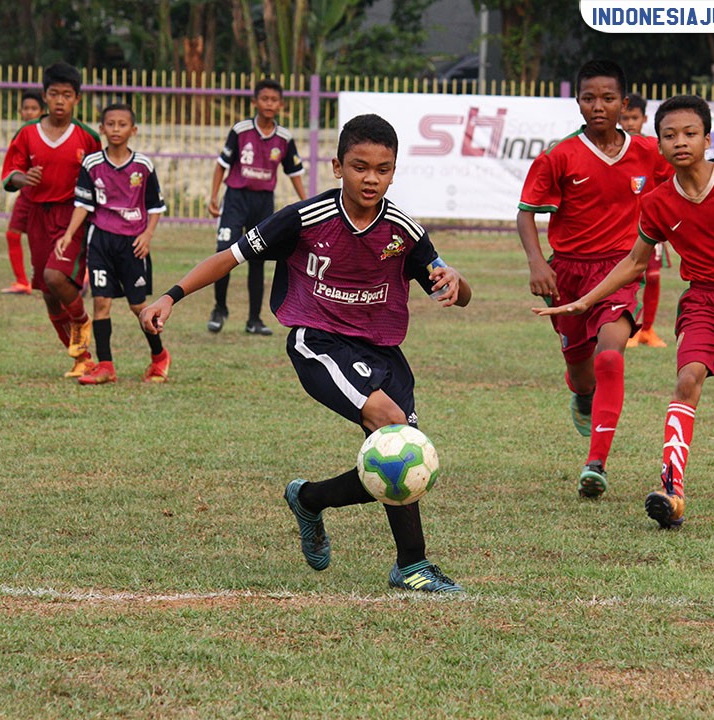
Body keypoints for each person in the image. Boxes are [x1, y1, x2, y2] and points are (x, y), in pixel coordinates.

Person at [140, 114, 472, 593]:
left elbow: (457, 293)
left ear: (395, 172)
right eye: (360, 166)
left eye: (382, 169)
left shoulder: (404, 231)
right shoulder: (304, 218)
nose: (371, 178)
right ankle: (414, 563)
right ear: (338, 166)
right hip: (318, 341)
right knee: (392, 425)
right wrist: (170, 295)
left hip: (383, 352)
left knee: (403, 463)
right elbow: (229, 257)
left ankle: (316, 502)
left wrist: (457, 283)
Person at [535, 95, 714, 530]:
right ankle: (672, 490)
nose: (680, 142)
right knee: (687, 379)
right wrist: (585, 300)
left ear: (708, 139)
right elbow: (635, 262)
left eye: (690, 133)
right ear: (658, 144)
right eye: (669, 135)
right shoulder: (656, 202)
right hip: (702, 303)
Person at [516, 60, 670, 499]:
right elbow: (526, 213)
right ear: (578, 102)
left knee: (610, 357)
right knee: (583, 375)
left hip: (622, 269)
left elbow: (680, 190)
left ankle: (596, 462)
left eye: (608, 98)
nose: (598, 106)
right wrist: (537, 264)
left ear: (625, 103)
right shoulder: (560, 155)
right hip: (568, 274)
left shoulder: (648, 152)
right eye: (589, 98)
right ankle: (583, 397)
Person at [56, 103, 170, 385]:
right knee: (101, 303)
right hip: (101, 241)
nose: (116, 129)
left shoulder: (143, 165)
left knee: (138, 306)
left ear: (133, 130)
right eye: (110, 124)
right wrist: (69, 234)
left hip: (133, 244)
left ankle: (159, 357)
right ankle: (106, 366)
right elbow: (83, 204)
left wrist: (147, 235)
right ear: (102, 128)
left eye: (122, 124)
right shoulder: (92, 164)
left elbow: (155, 206)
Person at [1, 61, 102, 378]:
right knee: (47, 292)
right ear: (45, 96)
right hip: (37, 216)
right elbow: (10, 174)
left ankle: (82, 320)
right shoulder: (28, 134)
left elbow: (102, 176)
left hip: (72, 215)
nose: (60, 101)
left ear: (77, 99)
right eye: (54, 94)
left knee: (57, 277)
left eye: (67, 95)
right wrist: (23, 178)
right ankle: (82, 358)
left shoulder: (87, 138)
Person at [207, 78, 307, 337]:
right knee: (224, 250)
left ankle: (254, 319)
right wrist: (213, 196)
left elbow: (294, 172)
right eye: (264, 99)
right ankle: (219, 309)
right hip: (236, 199)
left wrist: (306, 202)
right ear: (255, 102)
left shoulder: (284, 138)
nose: (269, 104)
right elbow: (222, 165)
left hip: (263, 203)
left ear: (281, 105)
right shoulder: (241, 131)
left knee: (257, 258)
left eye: (274, 100)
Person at [620, 93, 672, 349]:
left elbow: (669, 180)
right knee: (626, 278)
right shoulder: (615, 149)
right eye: (625, 118)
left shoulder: (653, 149)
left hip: (650, 227)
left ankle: (648, 330)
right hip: (623, 228)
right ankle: (629, 329)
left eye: (634, 118)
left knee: (652, 277)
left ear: (644, 119)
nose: (630, 122)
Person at [1, 91, 44, 295]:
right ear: (20, 112)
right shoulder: (22, 135)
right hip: (26, 193)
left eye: (33, 109)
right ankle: (21, 282)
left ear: (42, 111)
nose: (29, 112)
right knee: (12, 234)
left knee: (54, 238)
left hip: (47, 195)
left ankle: (84, 274)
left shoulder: (46, 133)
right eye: (26, 108)